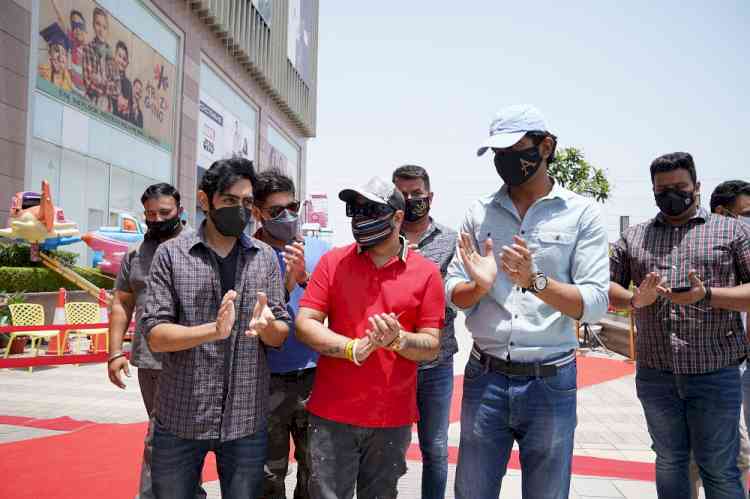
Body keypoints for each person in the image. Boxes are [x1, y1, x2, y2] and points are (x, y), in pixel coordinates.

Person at [446, 104, 610, 499]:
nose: (506, 162)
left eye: (515, 150)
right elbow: (452, 290)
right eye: (499, 155)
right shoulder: (478, 212)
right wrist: (480, 287)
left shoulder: (582, 214)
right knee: (472, 492)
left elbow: (596, 302)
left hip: (550, 382)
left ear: (546, 146)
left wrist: (535, 281)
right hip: (486, 377)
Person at [141, 157, 291, 498]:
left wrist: (268, 328)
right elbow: (155, 334)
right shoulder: (172, 255)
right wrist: (212, 331)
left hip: (245, 421)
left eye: (247, 202)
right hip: (181, 416)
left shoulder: (265, 257)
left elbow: (280, 331)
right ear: (204, 200)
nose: (240, 210)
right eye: (229, 201)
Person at [609, 153, 750, 499]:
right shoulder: (635, 237)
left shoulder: (732, 231)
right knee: (670, 462)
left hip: (715, 372)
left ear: (697, 187)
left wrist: (709, 295)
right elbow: (605, 286)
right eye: (663, 189)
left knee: (719, 467)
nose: (672, 194)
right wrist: (633, 301)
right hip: (657, 374)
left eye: (680, 187)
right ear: (653, 191)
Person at [296, 176, 446, 499]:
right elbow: (305, 323)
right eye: (356, 209)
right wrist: (349, 348)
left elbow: (432, 345)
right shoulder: (333, 262)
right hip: (331, 414)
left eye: (371, 209)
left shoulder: (427, 274)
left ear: (397, 217)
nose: (361, 217)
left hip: (390, 419)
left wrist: (399, 340)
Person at [106, 183, 206, 499]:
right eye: (150, 214)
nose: (157, 219)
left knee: (185, 438)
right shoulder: (135, 254)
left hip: (197, 360)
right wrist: (114, 352)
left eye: (164, 212)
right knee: (160, 435)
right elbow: (122, 302)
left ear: (180, 210)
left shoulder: (202, 247)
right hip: (152, 363)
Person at [251, 170, 329, 499]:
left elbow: (337, 308)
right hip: (263, 379)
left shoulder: (320, 250)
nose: (287, 216)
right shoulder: (246, 253)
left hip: (315, 377)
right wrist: (283, 284)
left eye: (292, 207)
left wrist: (305, 280)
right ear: (257, 212)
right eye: (276, 211)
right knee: (268, 473)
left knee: (316, 469)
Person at [392, 164, 457, 499]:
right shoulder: (382, 236)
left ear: (429, 197)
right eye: (402, 193)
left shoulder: (450, 240)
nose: (409, 199)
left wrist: (423, 274)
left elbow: (458, 296)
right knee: (389, 446)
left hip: (436, 361)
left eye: (416, 193)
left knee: (435, 447)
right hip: (391, 361)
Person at [687, 180, 750, 499]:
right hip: (706, 370)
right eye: (747, 213)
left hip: (739, 366)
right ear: (722, 214)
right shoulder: (705, 257)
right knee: (703, 460)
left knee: (736, 460)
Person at [82, 7, 113, 111]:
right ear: (93, 25)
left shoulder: (110, 54)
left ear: (107, 29)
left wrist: (100, 80)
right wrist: (108, 85)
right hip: (92, 105)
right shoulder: (88, 48)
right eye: (98, 24)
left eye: (104, 27)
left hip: (107, 109)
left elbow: (117, 89)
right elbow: (88, 84)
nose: (101, 30)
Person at [38, 22, 73, 92]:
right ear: (49, 53)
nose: (60, 57)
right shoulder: (40, 73)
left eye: (63, 53)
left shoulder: (69, 85)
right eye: (56, 51)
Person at [110, 41, 133, 122]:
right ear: (115, 56)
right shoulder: (108, 72)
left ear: (127, 63)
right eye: (119, 56)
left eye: (124, 59)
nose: (121, 61)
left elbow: (128, 109)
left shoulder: (128, 84)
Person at [67, 10, 87, 95]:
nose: (78, 30)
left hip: (84, 98)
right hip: (72, 93)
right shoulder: (71, 46)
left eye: (80, 25)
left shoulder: (90, 52)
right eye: (74, 26)